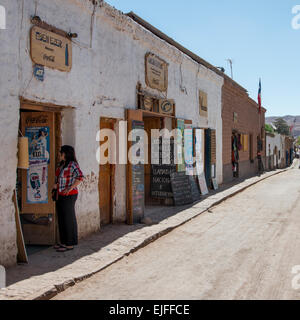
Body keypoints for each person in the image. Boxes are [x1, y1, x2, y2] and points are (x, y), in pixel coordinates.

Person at [53, 145, 84, 252]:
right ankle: (63, 242)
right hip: (60, 194)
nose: (59, 154)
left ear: (65, 153)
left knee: (68, 219)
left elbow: (80, 177)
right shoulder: (62, 165)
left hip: (69, 195)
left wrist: (70, 188)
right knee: (61, 218)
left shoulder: (72, 165)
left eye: (61, 152)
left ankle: (70, 243)